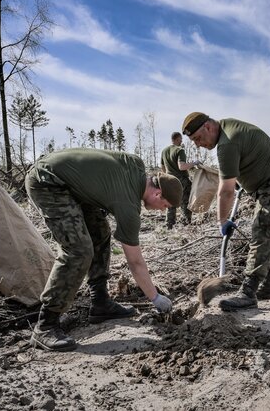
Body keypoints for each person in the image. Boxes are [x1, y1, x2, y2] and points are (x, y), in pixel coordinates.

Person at [25, 148, 182, 351]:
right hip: (48, 182)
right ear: (158, 193)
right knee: (79, 250)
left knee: (100, 233)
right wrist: (155, 297)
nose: (163, 210)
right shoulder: (127, 204)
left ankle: (100, 303)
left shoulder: (136, 166)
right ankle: (45, 325)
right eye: (165, 205)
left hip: (70, 184)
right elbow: (135, 262)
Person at [182, 112, 270, 311]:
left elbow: (225, 191)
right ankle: (269, 284)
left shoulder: (227, 143)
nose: (197, 144)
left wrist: (222, 221)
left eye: (198, 139)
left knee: (263, 229)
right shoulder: (227, 129)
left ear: (208, 127)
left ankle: (248, 291)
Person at [160, 132, 201, 229]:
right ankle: (186, 223)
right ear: (177, 139)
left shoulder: (164, 151)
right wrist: (194, 163)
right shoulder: (179, 150)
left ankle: (169, 225)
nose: (182, 141)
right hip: (181, 180)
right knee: (186, 201)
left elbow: (162, 167)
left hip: (169, 180)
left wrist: (168, 175)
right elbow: (182, 166)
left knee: (171, 202)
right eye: (181, 139)